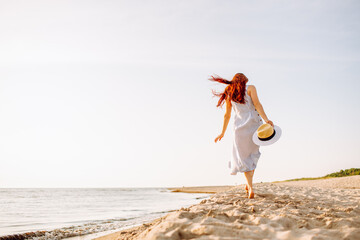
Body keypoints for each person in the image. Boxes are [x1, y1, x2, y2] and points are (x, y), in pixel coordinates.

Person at [210, 73, 274, 199]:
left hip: (239, 129)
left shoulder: (229, 93)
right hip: (254, 126)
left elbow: (227, 115)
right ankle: (249, 184)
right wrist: (266, 120)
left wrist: (222, 132)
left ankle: (250, 186)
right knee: (253, 155)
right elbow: (257, 104)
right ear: (244, 80)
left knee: (243, 158)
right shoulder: (251, 88)